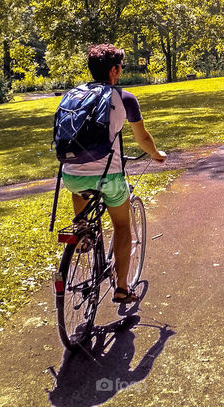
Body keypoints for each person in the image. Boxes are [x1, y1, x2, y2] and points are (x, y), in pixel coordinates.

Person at [62, 43, 166, 303]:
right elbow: (142, 137)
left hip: (70, 173)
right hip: (109, 175)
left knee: (80, 186)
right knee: (121, 225)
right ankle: (122, 288)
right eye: (120, 67)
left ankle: (83, 230)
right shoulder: (124, 97)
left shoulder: (72, 95)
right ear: (113, 70)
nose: (120, 72)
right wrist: (155, 154)